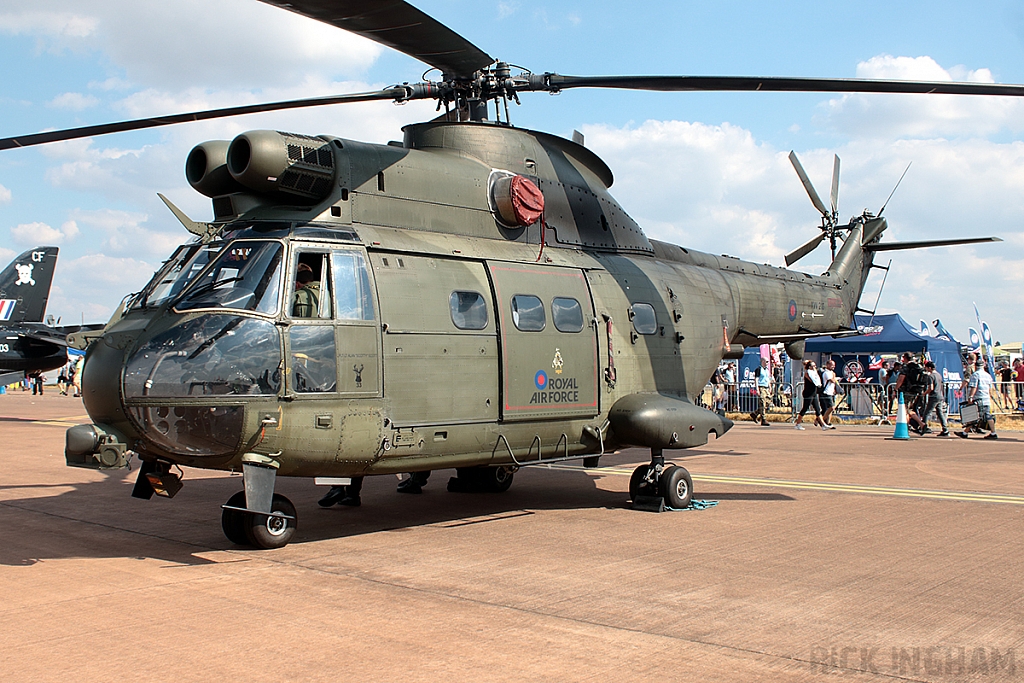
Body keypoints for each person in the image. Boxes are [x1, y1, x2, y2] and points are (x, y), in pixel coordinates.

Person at [957, 359, 998, 439]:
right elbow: (990, 388)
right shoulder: (988, 375)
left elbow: (974, 387)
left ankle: (965, 433)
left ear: (976, 366)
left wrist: (970, 397)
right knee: (988, 416)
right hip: (986, 398)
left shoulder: (975, 375)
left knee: (973, 415)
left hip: (978, 398)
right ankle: (993, 432)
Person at [894, 352, 927, 433]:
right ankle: (921, 424)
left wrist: (896, 388)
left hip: (906, 390)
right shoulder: (918, 366)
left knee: (904, 409)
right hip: (916, 390)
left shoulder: (906, 367)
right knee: (909, 409)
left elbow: (901, 378)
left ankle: (906, 426)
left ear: (905, 358)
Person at [920, 360, 949, 437]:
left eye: (926, 368)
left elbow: (931, 387)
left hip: (934, 396)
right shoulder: (939, 375)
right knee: (939, 413)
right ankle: (945, 429)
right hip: (940, 395)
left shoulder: (931, 376)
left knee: (927, 412)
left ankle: (923, 427)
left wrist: (924, 393)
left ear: (929, 368)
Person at [794, 360, 825, 430]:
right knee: (805, 408)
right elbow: (812, 381)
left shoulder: (814, 373)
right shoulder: (807, 373)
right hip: (808, 393)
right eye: (813, 366)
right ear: (810, 367)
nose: (815, 367)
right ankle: (797, 423)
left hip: (813, 393)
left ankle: (823, 425)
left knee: (817, 409)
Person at [753, 357, 773, 426]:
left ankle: (755, 413)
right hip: (761, 387)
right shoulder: (758, 369)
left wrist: (770, 387)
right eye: (766, 361)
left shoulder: (767, 370)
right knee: (762, 403)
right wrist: (757, 389)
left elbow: (768, 379)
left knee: (768, 402)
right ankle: (763, 419)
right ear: (762, 361)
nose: (767, 363)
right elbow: (756, 379)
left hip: (766, 387)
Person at [819, 359, 838, 429]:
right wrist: (834, 375)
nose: (833, 367)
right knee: (831, 407)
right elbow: (832, 380)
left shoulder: (831, 373)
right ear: (828, 365)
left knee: (830, 409)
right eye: (832, 365)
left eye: (834, 365)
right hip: (826, 392)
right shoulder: (826, 373)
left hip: (831, 392)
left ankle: (828, 422)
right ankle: (821, 420)